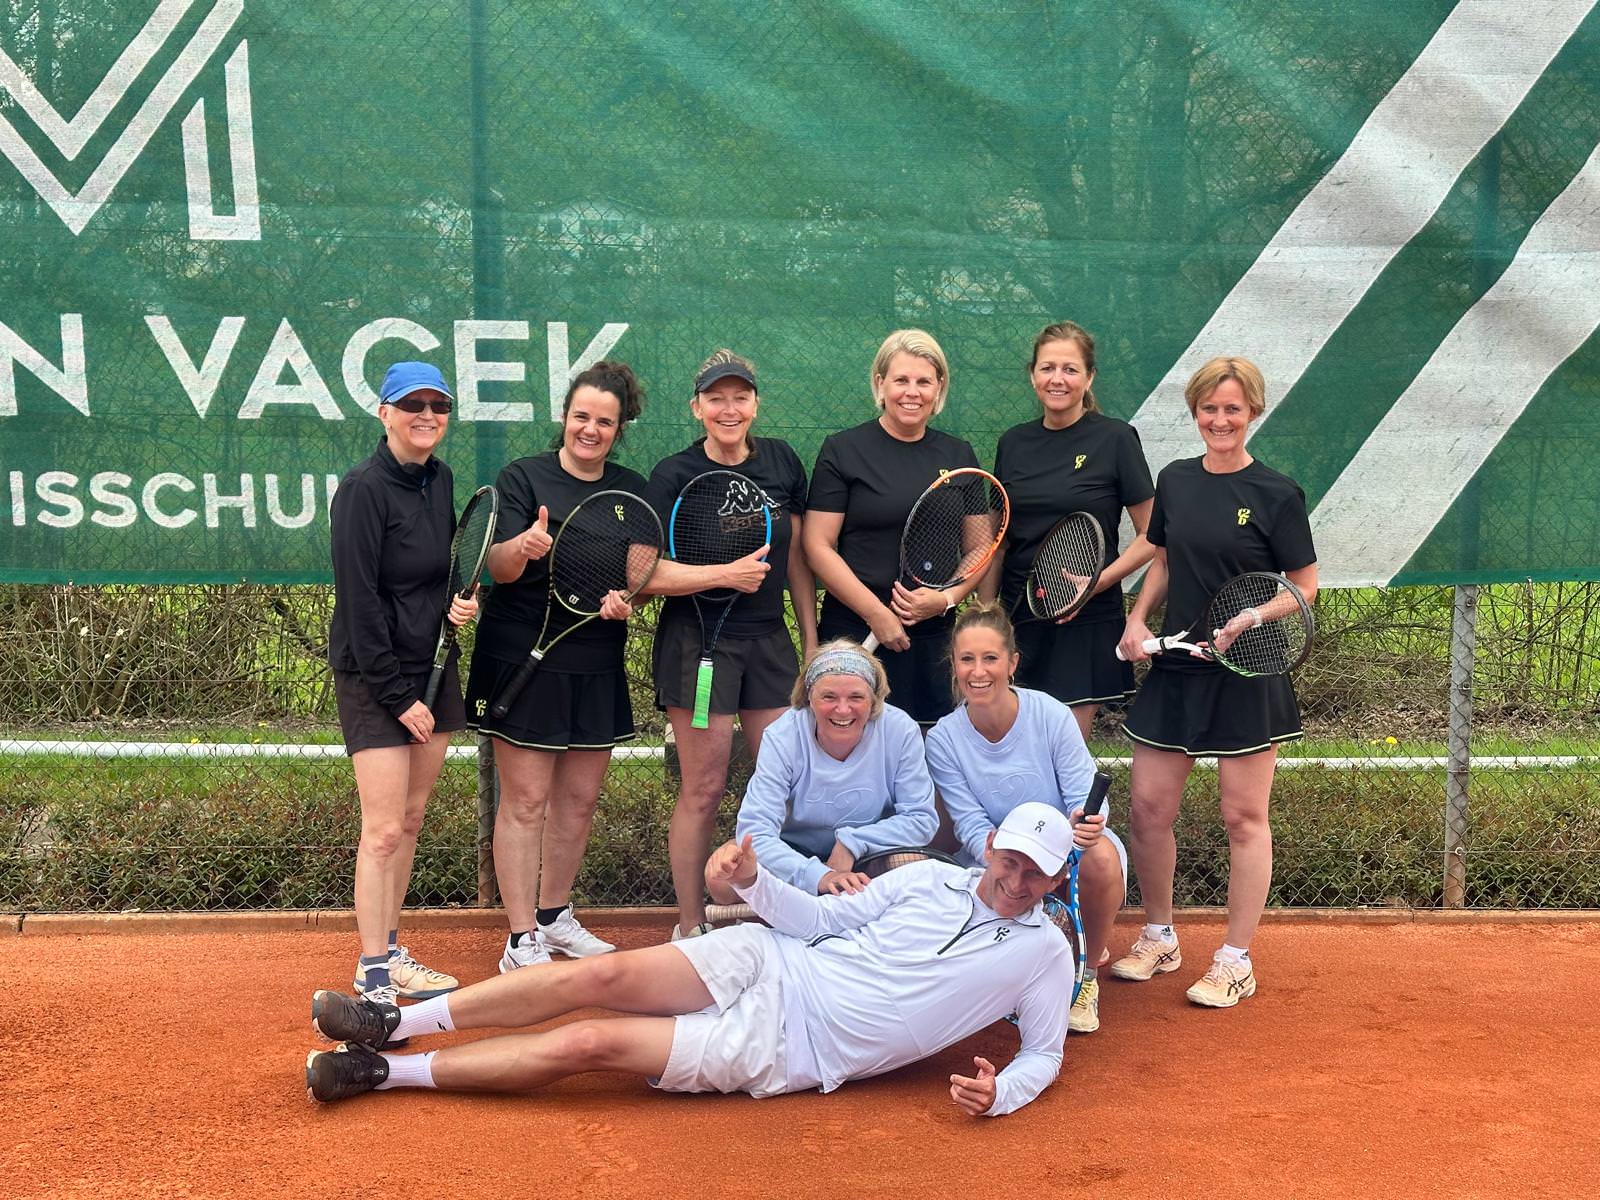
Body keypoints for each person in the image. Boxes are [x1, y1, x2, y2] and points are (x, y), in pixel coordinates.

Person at [305, 802, 1076, 1115]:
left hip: (793, 1047)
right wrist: (754, 881)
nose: (1015, 881)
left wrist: (1001, 1092)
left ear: (1056, 879)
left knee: (591, 1041)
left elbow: (1043, 1051)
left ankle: (382, 1071)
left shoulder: (1045, 954)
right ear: (989, 847)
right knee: (597, 975)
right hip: (773, 960)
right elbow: (814, 919)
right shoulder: (928, 880)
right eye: (1009, 861)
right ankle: (393, 1021)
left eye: (1034, 873)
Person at [1114, 356, 1318, 1007]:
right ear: (1195, 412)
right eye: (1209, 409)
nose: (1220, 420)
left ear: (1252, 411)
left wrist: (1253, 613)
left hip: (1248, 667)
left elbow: (1305, 587)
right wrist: (1137, 618)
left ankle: (1235, 959)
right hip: (1177, 668)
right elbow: (1167, 559)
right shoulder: (1175, 480)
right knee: (1148, 809)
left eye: (1233, 409)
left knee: (1243, 816)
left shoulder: (1278, 493)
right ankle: (1159, 936)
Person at [464, 362, 650, 971]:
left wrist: (629, 600)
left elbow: (639, 577)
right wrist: (521, 547)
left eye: (604, 421)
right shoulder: (523, 477)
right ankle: (521, 940)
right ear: (564, 418)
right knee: (524, 801)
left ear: (618, 429)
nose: (590, 430)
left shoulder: (632, 488)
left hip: (595, 656)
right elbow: (497, 567)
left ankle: (554, 917)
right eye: (580, 417)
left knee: (579, 801)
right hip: (523, 652)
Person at [640, 350, 818, 940]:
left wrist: (810, 642)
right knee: (705, 787)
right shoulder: (672, 474)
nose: (729, 408)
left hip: (769, 645)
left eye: (740, 397)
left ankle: (780, 918)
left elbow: (795, 557)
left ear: (755, 404)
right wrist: (722, 575)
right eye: (716, 398)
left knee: (784, 783)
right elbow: (645, 576)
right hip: (699, 647)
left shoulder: (783, 461)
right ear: (697, 407)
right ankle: (690, 926)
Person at [328, 361, 478, 1005]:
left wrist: (458, 605)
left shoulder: (440, 480)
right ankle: (373, 973)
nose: (426, 415)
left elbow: (440, 568)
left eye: (437, 405)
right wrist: (398, 697)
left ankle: (391, 948)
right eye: (410, 404)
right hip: (375, 675)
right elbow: (359, 601)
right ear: (383, 413)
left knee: (412, 821)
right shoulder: (361, 490)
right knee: (383, 829)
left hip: (433, 665)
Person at [924, 602, 1128, 1034]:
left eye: (990, 658)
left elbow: (1087, 800)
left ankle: (1086, 974)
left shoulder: (1051, 714)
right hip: (993, 855)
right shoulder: (943, 739)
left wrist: (1087, 825)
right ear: (954, 665)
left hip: (1062, 850)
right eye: (967, 659)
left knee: (1103, 857)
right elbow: (970, 823)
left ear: (1012, 663)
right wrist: (1003, 858)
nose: (978, 672)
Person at [984, 321, 1156, 742]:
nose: (1057, 379)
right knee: (1014, 748)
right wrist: (988, 613)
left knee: (1064, 752)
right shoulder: (1013, 443)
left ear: (1089, 377)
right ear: (1033, 374)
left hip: (1084, 620)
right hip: (1019, 614)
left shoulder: (1115, 439)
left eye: (1070, 369)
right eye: (1047, 368)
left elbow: (1152, 535)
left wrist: (1096, 583)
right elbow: (998, 540)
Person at [803, 329, 982, 728]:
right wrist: (876, 615)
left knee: (930, 762)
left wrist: (947, 599)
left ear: (939, 389)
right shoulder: (843, 450)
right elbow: (817, 545)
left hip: (933, 636)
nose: (912, 392)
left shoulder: (959, 454)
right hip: (854, 632)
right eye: (901, 380)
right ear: (881, 384)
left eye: (924, 381)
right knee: (852, 758)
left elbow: (979, 548)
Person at [722, 640, 938, 902]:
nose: (843, 709)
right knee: (723, 877)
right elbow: (755, 831)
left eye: (856, 697)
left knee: (911, 863)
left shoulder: (900, 730)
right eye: (829, 697)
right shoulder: (782, 736)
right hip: (796, 853)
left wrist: (853, 843)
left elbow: (921, 818)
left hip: (870, 854)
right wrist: (817, 875)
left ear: (874, 700)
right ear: (809, 698)